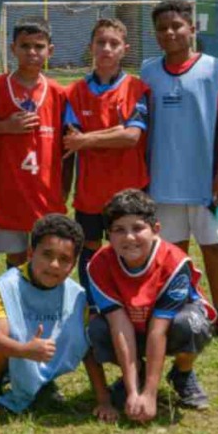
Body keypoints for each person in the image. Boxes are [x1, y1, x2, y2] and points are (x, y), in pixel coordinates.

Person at [141, 0, 218, 340]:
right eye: (162, 28)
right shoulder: (148, 71)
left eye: (177, 26)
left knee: (213, 247)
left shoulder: (214, 68)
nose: (169, 33)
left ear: (192, 29)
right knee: (173, 252)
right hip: (163, 180)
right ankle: (181, 310)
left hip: (205, 181)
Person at [0, 214, 116, 420]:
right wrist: (25, 350)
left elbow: (87, 350)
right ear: (30, 253)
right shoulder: (8, 286)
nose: (54, 264)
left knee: (77, 332)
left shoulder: (76, 296)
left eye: (64, 259)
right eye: (47, 255)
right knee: (4, 334)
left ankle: (40, 382)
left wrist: (104, 401)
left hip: (37, 352)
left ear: (73, 265)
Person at [87, 190, 218, 422]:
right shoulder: (99, 264)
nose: (129, 237)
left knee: (190, 326)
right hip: (131, 324)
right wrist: (133, 392)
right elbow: (119, 326)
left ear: (156, 229)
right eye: (119, 230)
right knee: (95, 329)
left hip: (168, 324)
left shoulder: (174, 262)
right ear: (108, 235)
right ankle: (135, 373)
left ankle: (182, 372)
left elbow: (159, 329)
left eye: (138, 228)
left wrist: (150, 394)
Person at [0, 18, 69, 269]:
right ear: (13, 49)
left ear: (50, 51)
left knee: (46, 253)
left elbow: (68, 146)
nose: (32, 52)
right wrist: (5, 126)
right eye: (24, 46)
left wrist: (65, 187)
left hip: (45, 191)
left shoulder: (60, 94)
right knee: (15, 257)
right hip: (8, 190)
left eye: (39, 46)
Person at [63, 18, 150, 286]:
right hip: (90, 190)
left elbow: (131, 137)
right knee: (90, 246)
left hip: (130, 188)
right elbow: (71, 140)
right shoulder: (74, 92)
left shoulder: (136, 89)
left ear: (125, 49)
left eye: (114, 43)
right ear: (91, 47)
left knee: (130, 245)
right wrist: (113, 132)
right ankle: (92, 300)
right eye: (101, 42)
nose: (107, 48)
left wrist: (87, 139)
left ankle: (131, 300)